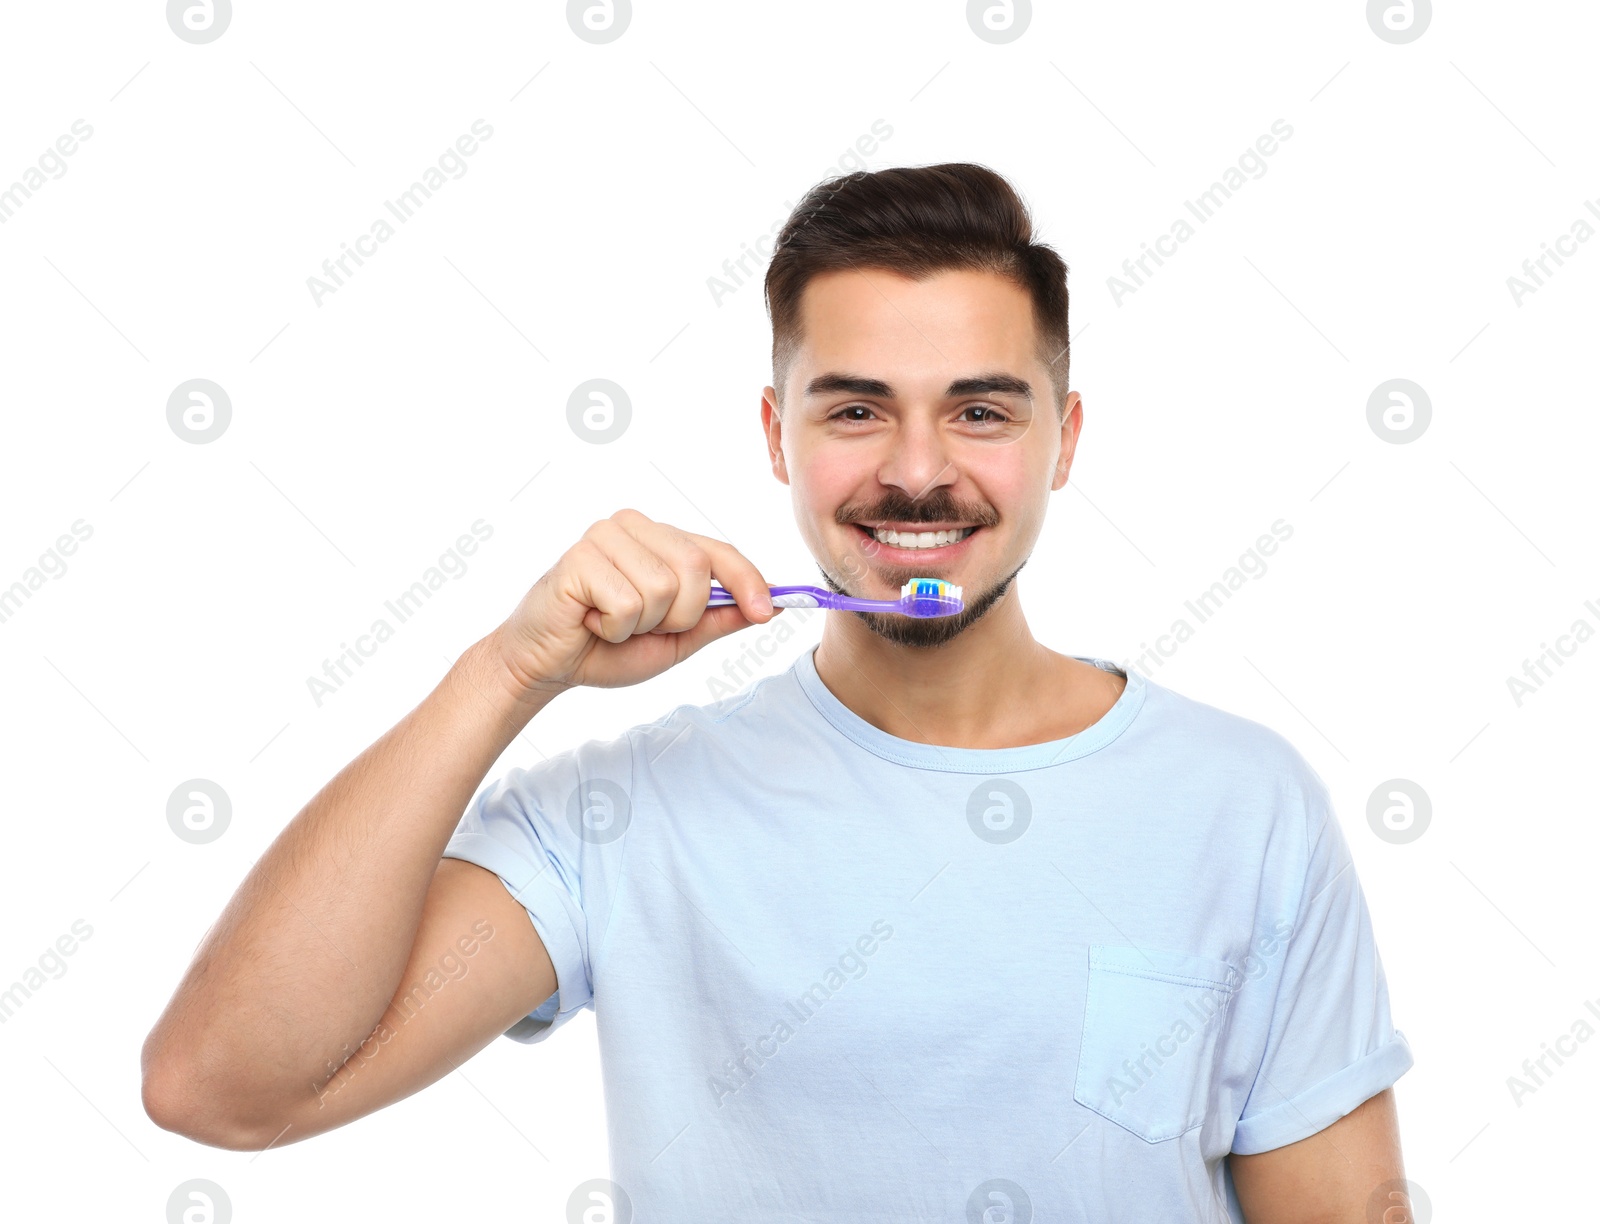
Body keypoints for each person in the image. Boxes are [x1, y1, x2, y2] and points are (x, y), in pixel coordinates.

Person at [141, 163, 1413, 1222]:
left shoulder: (1243, 805)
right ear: (775, 436)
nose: (918, 474)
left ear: (1063, 441)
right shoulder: (621, 818)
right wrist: (509, 671)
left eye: (980, 410)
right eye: (856, 409)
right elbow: (221, 1087)